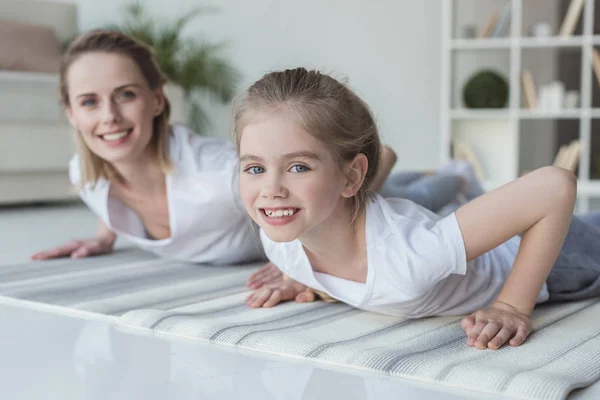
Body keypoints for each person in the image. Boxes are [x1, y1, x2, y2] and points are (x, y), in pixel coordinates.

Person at [235, 67, 600, 351]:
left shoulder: (408, 258)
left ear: (351, 177)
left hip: (557, 256)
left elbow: (555, 185)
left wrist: (513, 306)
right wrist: (301, 278)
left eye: (298, 167)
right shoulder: (281, 245)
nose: (271, 190)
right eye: (255, 168)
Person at [30, 31, 396, 291]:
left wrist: (305, 259)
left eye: (125, 95)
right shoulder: (85, 173)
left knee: (419, 196)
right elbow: (109, 183)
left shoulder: (214, 177)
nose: (109, 116)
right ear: (71, 113)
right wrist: (105, 237)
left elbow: (385, 157)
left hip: (346, 202)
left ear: (157, 100)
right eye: (89, 102)